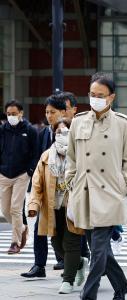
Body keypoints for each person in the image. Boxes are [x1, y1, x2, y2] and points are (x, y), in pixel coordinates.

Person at [66, 72, 127, 300]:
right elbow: (72, 158)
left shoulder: (123, 124)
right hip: (84, 193)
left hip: (109, 195)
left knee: (97, 251)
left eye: (100, 95)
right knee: (102, 250)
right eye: (92, 94)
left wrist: (123, 186)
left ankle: (88, 295)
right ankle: (121, 286)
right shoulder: (78, 122)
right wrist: (70, 181)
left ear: (111, 97)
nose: (95, 98)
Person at [28, 118, 88, 294]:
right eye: (58, 132)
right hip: (52, 208)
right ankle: (78, 263)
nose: (62, 135)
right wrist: (33, 205)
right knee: (56, 244)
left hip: (74, 206)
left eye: (66, 132)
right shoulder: (47, 156)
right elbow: (37, 183)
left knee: (71, 244)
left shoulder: (81, 154)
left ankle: (67, 281)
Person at [22, 94, 67, 277]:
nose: (49, 115)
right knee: (39, 226)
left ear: (63, 112)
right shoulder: (44, 133)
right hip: (45, 187)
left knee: (65, 228)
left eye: (53, 112)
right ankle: (39, 265)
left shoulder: (70, 131)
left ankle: (69, 260)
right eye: (47, 112)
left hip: (64, 190)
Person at [0, 100, 39, 254]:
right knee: (5, 210)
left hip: (22, 174)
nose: (11, 116)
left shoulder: (30, 130)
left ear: (21, 113)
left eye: (14, 114)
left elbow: (36, 152)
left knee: (16, 209)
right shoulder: (2, 130)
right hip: (4, 174)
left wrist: (30, 170)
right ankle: (22, 228)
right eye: (8, 114)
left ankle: (15, 243)